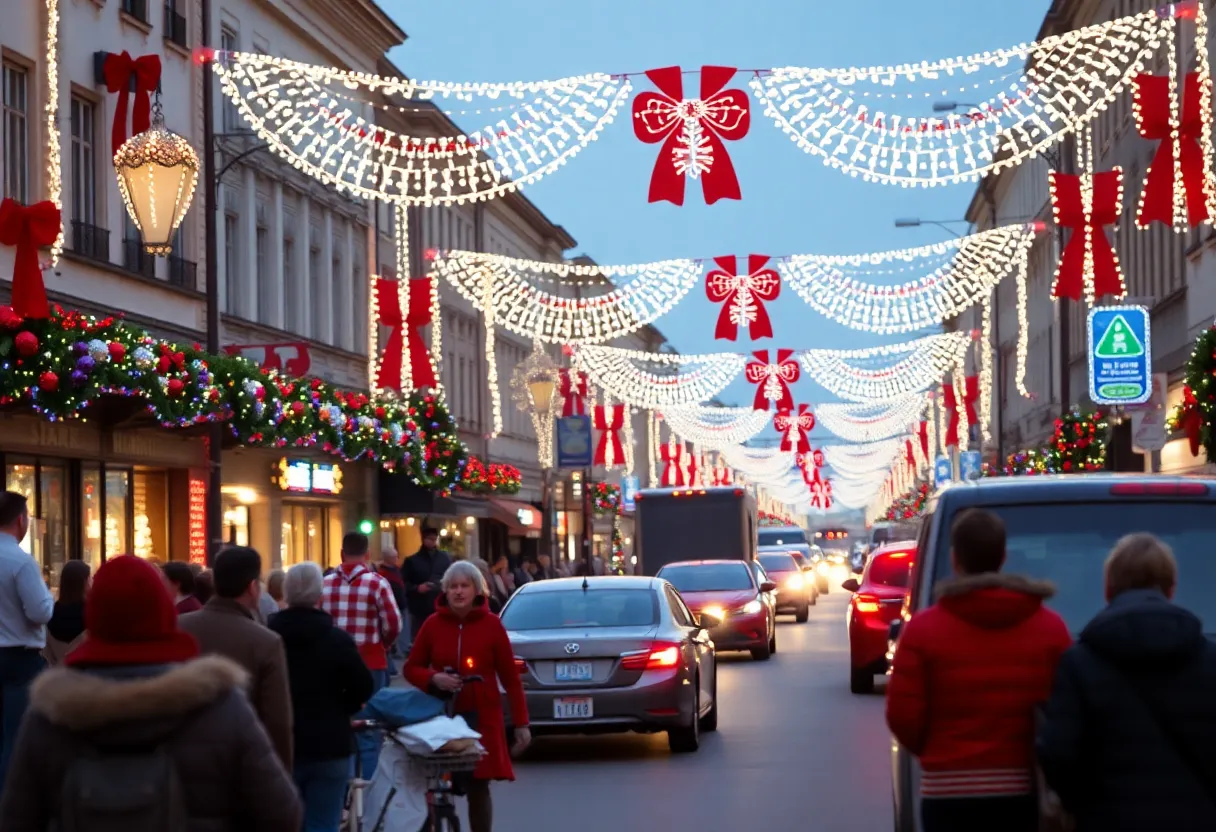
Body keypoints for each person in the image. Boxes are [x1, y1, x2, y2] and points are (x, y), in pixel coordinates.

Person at [0, 555, 301, 832]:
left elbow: (16, 818)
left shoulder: (51, 714)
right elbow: (282, 812)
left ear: (95, 615)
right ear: (162, 611)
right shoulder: (219, 705)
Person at [885, 508, 1071, 832]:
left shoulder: (922, 630)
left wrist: (938, 751)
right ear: (1003, 557)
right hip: (1022, 789)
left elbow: (902, 716)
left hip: (946, 791)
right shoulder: (1050, 628)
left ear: (956, 560)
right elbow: (1067, 709)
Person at [1037, 534, 1216, 831]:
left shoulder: (1079, 662)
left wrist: (1083, 807)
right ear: (1171, 590)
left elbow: (1057, 753)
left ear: (1108, 590)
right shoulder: (1209, 660)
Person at [405, 561, 531, 832]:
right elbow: (410, 668)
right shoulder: (432, 624)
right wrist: (433, 678)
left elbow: (510, 678)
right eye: (453, 586)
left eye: (464, 586)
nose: (458, 592)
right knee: (435, 783)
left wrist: (521, 723)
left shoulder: (492, 625)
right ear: (445, 591)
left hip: (482, 715)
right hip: (441, 716)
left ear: (477, 590)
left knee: (478, 785)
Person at [269, 563, 374, 832]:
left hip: (280, 744)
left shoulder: (267, 638)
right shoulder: (337, 640)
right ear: (320, 595)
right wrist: (344, 708)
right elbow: (363, 686)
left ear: (286, 593)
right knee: (323, 821)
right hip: (330, 742)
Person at [179, 546, 294, 771]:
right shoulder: (266, 642)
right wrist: (281, 775)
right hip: (241, 767)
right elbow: (277, 722)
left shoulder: (178, 629)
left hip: (182, 766)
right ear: (252, 587)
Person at [321, 531, 402, 779]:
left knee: (338, 729)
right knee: (367, 731)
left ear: (341, 553)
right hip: (370, 664)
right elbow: (394, 624)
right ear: (367, 555)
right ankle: (366, 796)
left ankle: (343, 794)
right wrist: (383, 645)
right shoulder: (377, 583)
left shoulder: (323, 584)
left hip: (332, 667)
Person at [0, 491, 53, 789]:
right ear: (21, 520)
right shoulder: (21, 562)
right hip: (19, 659)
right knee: (16, 737)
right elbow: (40, 611)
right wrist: (48, 598)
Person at [403, 527, 451, 639]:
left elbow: (451, 578)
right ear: (424, 539)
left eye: (434, 539)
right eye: (430, 539)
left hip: (441, 605)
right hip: (420, 609)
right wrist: (417, 588)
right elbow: (404, 584)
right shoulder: (412, 561)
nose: (432, 541)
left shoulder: (445, 558)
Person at [44, 560, 90, 666]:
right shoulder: (91, 615)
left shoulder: (51, 613)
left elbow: (47, 655)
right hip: (86, 677)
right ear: (85, 582)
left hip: (59, 675)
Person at [377, 548, 409, 658]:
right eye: (394, 557)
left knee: (404, 630)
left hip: (402, 604)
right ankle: (396, 651)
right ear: (388, 558)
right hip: (392, 605)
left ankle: (402, 650)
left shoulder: (398, 570)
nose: (397, 559)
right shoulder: (382, 573)